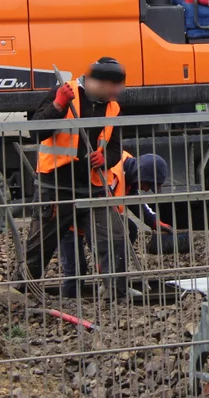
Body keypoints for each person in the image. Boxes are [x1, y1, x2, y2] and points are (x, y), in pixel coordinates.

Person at [22, 57, 131, 300]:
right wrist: (58, 106)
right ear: (99, 83)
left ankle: (116, 294)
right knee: (40, 246)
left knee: (112, 238)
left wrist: (106, 160)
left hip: (93, 188)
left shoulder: (113, 107)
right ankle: (21, 293)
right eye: (115, 86)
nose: (118, 92)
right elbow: (36, 131)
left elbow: (115, 146)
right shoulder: (63, 92)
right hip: (56, 187)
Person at [58, 152, 180, 298]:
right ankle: (69, 304)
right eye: (148, 184)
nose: (146, 189)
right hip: (71, 220)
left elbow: (134, 197)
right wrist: (100, 257)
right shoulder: (113, 174)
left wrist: (153, 221)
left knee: (128, 228)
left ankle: (116, 288)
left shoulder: (127, 169)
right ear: (140, 174)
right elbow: (95, 219)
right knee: (76, 269)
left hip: (93, 219)